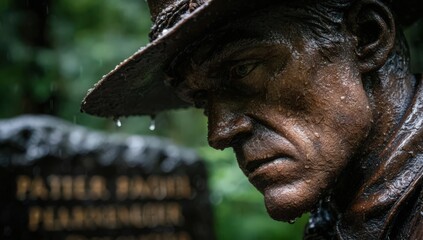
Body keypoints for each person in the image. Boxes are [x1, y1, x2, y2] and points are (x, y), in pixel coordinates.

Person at [81, 0, 422, 238]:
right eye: (201, 100)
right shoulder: (339, 215)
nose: (218, 134)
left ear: (366, 35)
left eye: (241, 70)